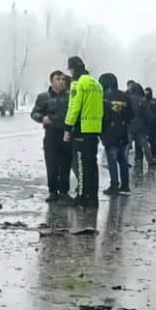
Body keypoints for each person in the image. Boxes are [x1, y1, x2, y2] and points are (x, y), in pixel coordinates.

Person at [64, 56, 104, 208]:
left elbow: (74, 108)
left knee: (81, 166)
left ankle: (82, 197)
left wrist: (68, 127)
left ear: (73, 69)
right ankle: (93, 198)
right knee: (92, 165)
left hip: (81, 129)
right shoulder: (96, 84)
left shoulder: (77, 83)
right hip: (94, 130)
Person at [31, 70, 72, 202]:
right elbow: (34, 113)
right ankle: (53, 191)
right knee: (52, 165)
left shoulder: (70, 96)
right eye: (58, 79)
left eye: (63, 79)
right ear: (52, 81)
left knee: (65, 165)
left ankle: (64, 191)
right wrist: (42, 118)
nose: (61, 82)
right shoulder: (44, 97)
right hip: (51, 135)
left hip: (66, 134)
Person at [99, 73, 134, 195]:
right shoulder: (125, 96)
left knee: (112, 161)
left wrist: (101, 131)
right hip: (123, 132)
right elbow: (131, 114)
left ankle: (114, 185)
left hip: (110, 133)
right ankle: (125, 186)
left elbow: (102, 116)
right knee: (122, 160)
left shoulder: (103, 97)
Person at [127, 82, 156, 168]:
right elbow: (148, 114)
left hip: (130, 125)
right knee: (145, 145)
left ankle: (124, 160)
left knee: (128, 145)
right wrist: (147, 126)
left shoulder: (128, 98)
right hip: (141, 125)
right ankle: (150, 161)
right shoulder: (143, 100)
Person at [145, 87, 156, 158]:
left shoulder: (144, 101)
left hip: (148, 124)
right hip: (152, 123)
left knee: (150, 140)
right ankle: (153, 155)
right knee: (152, 140)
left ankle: (152, 155)